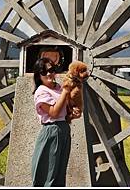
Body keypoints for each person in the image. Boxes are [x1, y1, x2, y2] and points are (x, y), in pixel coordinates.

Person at [31, 55, 81, 187]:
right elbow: (53, 113)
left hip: (63, 129)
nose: (49, 73)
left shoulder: (57, 87)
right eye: (44, 71)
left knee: (59, 173)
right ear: (38, 75)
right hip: (51, 131)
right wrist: (65, 91)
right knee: (49, 174)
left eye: (52, 69)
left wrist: (73, 112)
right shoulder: (41, 91)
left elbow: (64, 111)